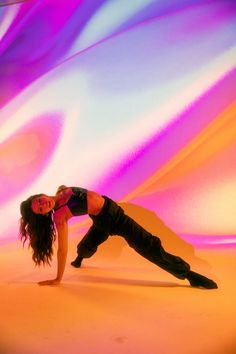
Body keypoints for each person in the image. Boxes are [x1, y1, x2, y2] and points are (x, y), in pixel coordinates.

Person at [19, 185, 218, 289]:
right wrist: (57, 278)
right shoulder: (60, 216)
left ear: (41, 195)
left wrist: (62, 189)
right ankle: (189, 275)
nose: (43, 205)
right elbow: (62, 249)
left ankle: (79, 258)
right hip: (113, 219)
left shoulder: (61, 192)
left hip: (105, 215)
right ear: (44, 214)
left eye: (39, 201)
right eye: (40, 209)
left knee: (87, 245)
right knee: (149, 244)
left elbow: (67, 191)